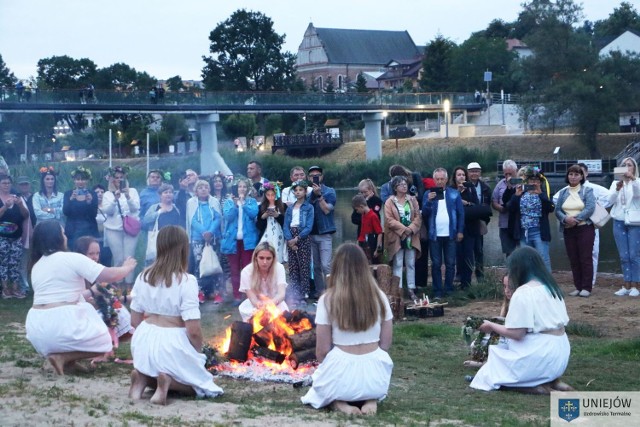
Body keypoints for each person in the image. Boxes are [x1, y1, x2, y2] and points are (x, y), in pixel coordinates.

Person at [25, 220, 137, 375]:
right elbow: (110, 275)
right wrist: (128, 267)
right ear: (57, 237)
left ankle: (68, 362)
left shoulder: (36, 265)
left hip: (36, 330)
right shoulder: (71, 258)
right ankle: (62, 358)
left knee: (83, 307)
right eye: (63, 233)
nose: (65, 236)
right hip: (60, 323)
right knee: (105, 343)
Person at [128, 226, 224, 404]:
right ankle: (167, 383)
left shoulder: (143, 276)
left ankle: (142, 380)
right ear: (183, 249)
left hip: (143, 339)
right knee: (204, 385)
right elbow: (193, 330)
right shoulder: (186, 281)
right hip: (171, 343)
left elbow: (134, 320)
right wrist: (196, 352)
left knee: (156, 369)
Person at [301, 243, 393, 415]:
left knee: (319, 383)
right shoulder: (380, 296)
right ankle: (370, 399)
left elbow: (321, 351)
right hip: (375, 375)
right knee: (371, 367)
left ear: (336, 268)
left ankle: (340, 402)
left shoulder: (327, 299)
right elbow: (386, 344)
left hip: (342, 372)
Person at [469, 246, 571, 394]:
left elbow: (517, 333)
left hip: (541, 353)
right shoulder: (552, 288)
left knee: (488, 375)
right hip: (561, 351)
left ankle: (538, 388)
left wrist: (490, 325)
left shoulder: (524, 292)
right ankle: (551, 381)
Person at [74, 236, 134, 351]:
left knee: (117, 309)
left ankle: (109, 343)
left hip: (98, 311)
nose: (95, 257)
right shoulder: (76, 275)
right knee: (109, 309)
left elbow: (112, 294)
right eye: (91, 253)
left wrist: (129, 298)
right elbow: (78, 300)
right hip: (81, 315)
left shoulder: (99, 272)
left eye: (97, 253)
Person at [554, 165, 596, 297]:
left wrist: (575, 219)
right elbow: (558, 210)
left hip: (584, 228)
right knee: (573, 258)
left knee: (585, 257)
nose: (573, 177)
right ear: (567, 176)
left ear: (582, 176)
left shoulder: (587, 191)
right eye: (571, 174)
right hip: (568, 229)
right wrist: (566, 219)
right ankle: (578, 286)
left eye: (576, 174)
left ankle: (586, 287)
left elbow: (590, 208)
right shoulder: (563, 192)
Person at [422, 168, 464, 299]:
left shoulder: (454, 193)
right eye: (437, 179)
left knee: (451, 263)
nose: (440, 181)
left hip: (450, 233)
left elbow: (460, 213)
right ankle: (437, 291)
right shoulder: (428, 194)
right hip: (434, 234)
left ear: (446, 179)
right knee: (435, 264)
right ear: (434, 180)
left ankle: (449, 289)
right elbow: (424, 213)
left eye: (442, 179)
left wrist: (460, 231)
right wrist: (428, 201)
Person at [506, 166, 554, 272]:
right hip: (524, 232)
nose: (533, 183)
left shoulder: (544, 192)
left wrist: (541, 194)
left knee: (543, 260)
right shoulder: (520, 192)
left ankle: (547, 286)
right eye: (531, 180)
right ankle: (529, 284)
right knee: (526, 261)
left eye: (536, 180)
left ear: (540, 182)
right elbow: (510, 208)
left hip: (539, 232)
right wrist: (516, 196)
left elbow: (550, 208)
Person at [101, 166, 140, 291]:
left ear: (125, 178)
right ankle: (118, 286)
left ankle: (129, 286)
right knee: (118, 258)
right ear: (112, 179)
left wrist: (127, 197)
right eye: (116, 178)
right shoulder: (107, 194)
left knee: (129, 257)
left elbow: (135, 208)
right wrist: (114, 199)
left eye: (121, 177)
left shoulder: (132, 191)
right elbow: (107, 211)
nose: (119, 180)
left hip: (130, 229)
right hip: (113, 229)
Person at [222, 178, 260, 304]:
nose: (242, 189)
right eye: (239, 187)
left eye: (244, 187)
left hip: (247, 242)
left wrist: (243, 203)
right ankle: (237, 296)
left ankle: (248, 296)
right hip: (232, 242)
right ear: (235, 189)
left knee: (247, 269)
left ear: (248, 189)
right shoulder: (228, 202)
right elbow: (229, 216)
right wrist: (234, 204)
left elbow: (253, 214)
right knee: (234, 269)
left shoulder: (251, 201)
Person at [384, 175, 421, 299]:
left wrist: (410, 229)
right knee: (398, 263)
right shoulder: (390, 201)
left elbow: (417, 216)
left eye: (405, 184)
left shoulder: (412, 200)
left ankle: (411, 289)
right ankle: (398, 290)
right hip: (397, 236)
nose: (404, 186)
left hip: (411, 235)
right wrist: (403, 229)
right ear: (395, 187)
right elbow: (389, 220)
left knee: (410, 263)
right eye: (401, 184)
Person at [186, 180, 222, 302]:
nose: (203, 189)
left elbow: (218, 218)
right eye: (200, 187)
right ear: (196, 190)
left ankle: (216, 292)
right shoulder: (191, 203)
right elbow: (192, 220)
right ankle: (200, 292)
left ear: (209, 189)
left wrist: (210, 232)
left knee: (215, 264)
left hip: (214, 237)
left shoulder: (214, 202)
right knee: (199, 265)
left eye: (206, 187)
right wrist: (203, 232)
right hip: (198, 238)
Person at [609, 157, 640, 297]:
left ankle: (636, 285)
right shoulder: (616, 183)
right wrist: (616, 189)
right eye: (624, 165)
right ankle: (626, 284)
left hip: (634, 222)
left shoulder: (637, 181)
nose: (626, 167)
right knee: (624, 256)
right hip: (619, 221)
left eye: (629, 165)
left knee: (634, 255)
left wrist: (632, 179)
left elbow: (638, 194)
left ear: (634, 168)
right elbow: (609, 201)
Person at [238, 242, 288, 321]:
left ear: (273, 258)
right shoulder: (246, 272)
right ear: (255, 258)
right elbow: (252, 298)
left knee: (281, 316)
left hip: (275, 301)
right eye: (261, 258)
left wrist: (271, 303)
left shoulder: (279, 268)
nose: (265, 262)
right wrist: (260, 305)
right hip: (256, 304)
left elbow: (281, 294)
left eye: (268, 258)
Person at [283, 180, 314, 307]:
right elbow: (285, 225)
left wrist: (297, 239)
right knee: (293, 267)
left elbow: (309, 226)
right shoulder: (290, 208)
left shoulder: (309, 207)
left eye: (300, 190)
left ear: (305, 192)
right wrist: (290, 240)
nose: (298, 192)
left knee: (304, 266)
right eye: (296, 190)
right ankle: (294, 294)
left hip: (302, 237)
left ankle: (304, 294)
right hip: (291, 236)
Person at [307, 165, 337, 299]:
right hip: (311, 234)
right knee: (316, 267)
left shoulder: (330, 192)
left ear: (322, 177)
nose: (315, 177)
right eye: (312, 176)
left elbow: (326, 210)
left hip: (325, 233)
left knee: (326, 265)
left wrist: (319, 196)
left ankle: (332, 292)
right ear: (308, 178)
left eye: (317, 175)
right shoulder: (307, 194)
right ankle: (321, 293)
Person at [451, 166, 483, 289]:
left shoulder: (471, 188)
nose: (461, 177)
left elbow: (476, 204)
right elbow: (448, 205)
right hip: (456, 227)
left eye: (463, 175)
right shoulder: (451, 190)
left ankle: (467, 283)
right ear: (454, 177)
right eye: (459, 175)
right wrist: (458, 192)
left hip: (470, 226)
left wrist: (467, 203)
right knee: (459, 255)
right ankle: (458, 280)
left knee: (469, 255)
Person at [0, 174, 30, 299]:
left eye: (8, 183)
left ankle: (15, 288)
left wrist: (20, 205)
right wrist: (5, 207)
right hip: (2, 237)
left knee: (15, 262)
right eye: (4, 183)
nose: (6, 185)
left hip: (16, 237)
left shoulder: (17, 197)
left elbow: (26, 215)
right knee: (3, 263)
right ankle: (5, 289)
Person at [142, 183, 181, 264]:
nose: (168, 194)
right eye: (165, 192)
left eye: (170, 192)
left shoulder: (176, 208)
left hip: (172, 242)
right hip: (157, 241)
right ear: (160, 195)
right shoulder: (154, 207)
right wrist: (158, 212)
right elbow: (145, 220)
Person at [466, 162, 492, 281]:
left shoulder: (485, 187)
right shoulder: (464, 186)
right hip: (467, 222)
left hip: (480, 221)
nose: (474, 173)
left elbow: (488, 207)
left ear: (480, 172)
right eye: (472, 171)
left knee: (479, 250)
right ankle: (465, 276)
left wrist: (485, 221)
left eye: (476, 171)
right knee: (466, 250)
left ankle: (480, 275)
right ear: (468, 173)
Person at [63, 166, 98, 252]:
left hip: (89, 230)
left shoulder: (92, 194)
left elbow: (94, 214)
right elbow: (65, 212)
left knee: (89, 252)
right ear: (74, 180)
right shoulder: (68, 194)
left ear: (87, 180)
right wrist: (71, 200)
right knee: (74, 253)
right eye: (78, 179)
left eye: (83, 179)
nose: (80, 182)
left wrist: (90, 202)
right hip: (73, 230)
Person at [492, 160, 520, 258]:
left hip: (520, 223)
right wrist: (500, 208)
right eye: (506, 173)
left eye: (510, 173)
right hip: (505, 224)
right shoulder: (500, 184)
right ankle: (510, 272)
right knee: (509, 252)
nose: (508, 176)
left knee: (523, 250)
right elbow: (494, 201)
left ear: (516, 171)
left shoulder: (522, 183)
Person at [257, 181, 287, 264]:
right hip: (266, 233)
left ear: (277, 195)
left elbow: (286, 222)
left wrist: (278, 216)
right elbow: (258, 225)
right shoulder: (261, 207)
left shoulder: (283, 206)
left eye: (273, 195)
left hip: (279, 234)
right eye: (268, 195)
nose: (270, 197)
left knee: (277, 253)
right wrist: (264, 216)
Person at [352, 194, 383, 264]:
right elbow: (362, 231)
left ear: (361, 206)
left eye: (356, 210)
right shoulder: (363, 215)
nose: (356, 212)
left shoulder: (373, 216)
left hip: (372, 245)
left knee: (373, 265)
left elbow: (379, 233)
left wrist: (378, 249)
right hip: (364, 245)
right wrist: (358, 242)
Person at [93, 184, 112, 267]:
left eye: (102, 192)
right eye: (97, 192)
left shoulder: (109, 206)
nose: (100, 194)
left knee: (107, 260)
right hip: (95, 237)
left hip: (107, 238)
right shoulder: (90, 207)